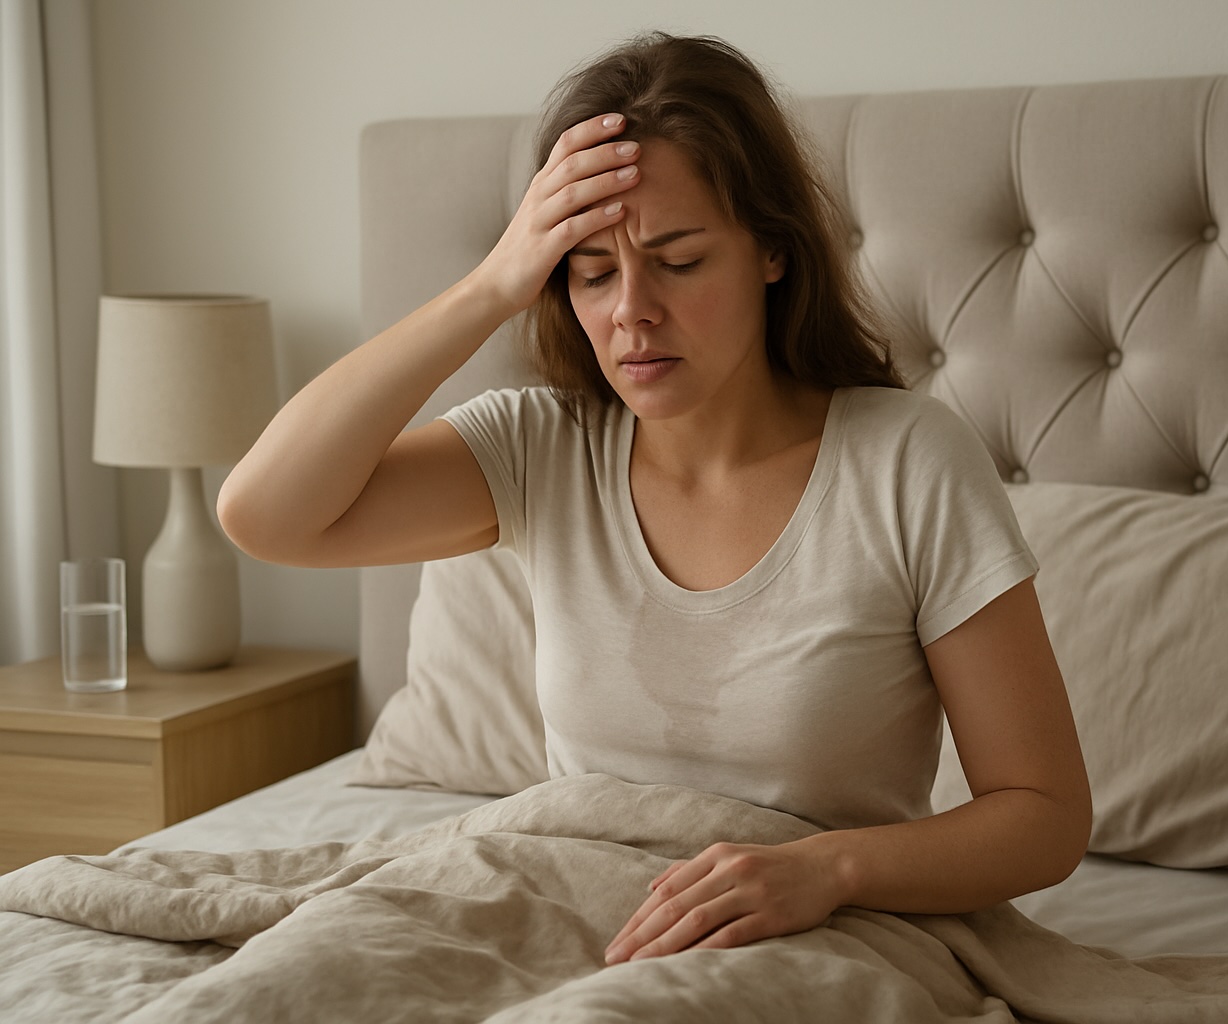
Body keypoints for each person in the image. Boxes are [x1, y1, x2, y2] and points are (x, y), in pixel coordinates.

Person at [218, 31, 1091, 967]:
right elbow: (266, 515)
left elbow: (1043, 816)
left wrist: (828, 871)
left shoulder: (907, 462)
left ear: (771, 252)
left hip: (815, 938)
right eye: (593, 273)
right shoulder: (544, 447)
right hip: (564, 908)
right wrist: (491, 284)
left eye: (677, 262)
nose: (632, 308)